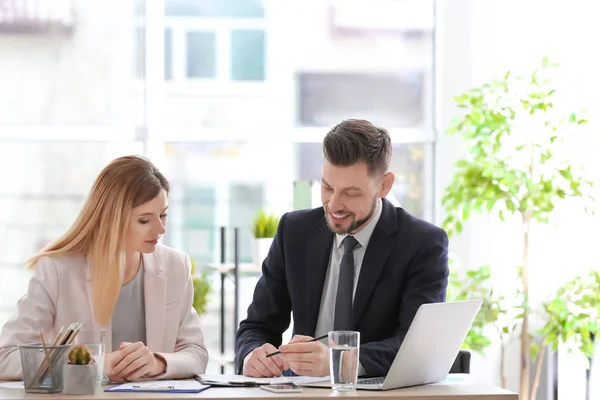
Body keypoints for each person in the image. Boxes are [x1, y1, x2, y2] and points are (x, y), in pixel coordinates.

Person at [235, 119, 449, 378]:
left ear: (384, 185)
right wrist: (252, 355)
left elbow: (416, 346)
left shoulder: (422, 243)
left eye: (351, 193)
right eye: (327, 187)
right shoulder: (295, 231)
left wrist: (341, 362)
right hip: (299, 393)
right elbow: (257, 325)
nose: (334, 205)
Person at [0, 155, 208, 382]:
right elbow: (6, 357)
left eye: (163, 214)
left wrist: (157, 362)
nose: (160, 228)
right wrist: (96, 363)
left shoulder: (175, 266)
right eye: (144, 220)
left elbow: (196, 353)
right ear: (112, 219)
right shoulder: (58, 270)